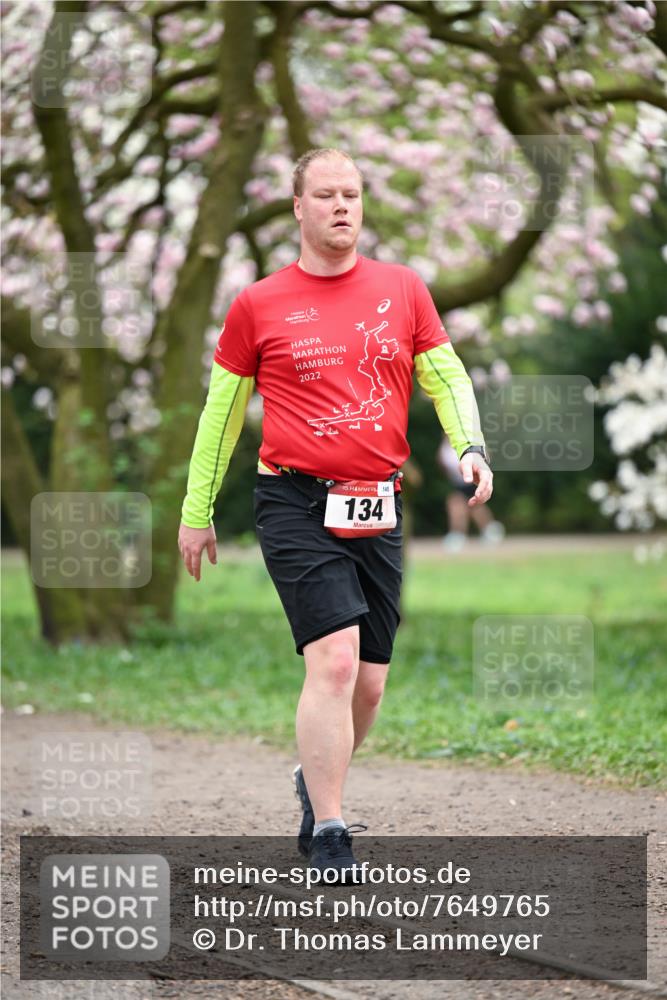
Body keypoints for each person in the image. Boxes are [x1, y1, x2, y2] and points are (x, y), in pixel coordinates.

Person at [178, 148, 493, 881]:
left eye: (351, 194)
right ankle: (329, 829)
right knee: (336, 661)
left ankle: (311, 778)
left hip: (377, 502)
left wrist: (470, 445)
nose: (341, 206)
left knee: (371, 681)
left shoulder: (403, 289)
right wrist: (197, 511)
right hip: (292, 500)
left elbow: (445, 378)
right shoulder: (258, 303)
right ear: (297, 206)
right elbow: (220, 418)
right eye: (325, 194)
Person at [437, 438, 505, 551]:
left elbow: (486, 454)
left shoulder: (468, 437)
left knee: (468, 506)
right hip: (458, 482)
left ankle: (460, 535)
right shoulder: (444, 445)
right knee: (464, 506)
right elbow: (441, 463)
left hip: (473, 479)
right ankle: (486, 529)